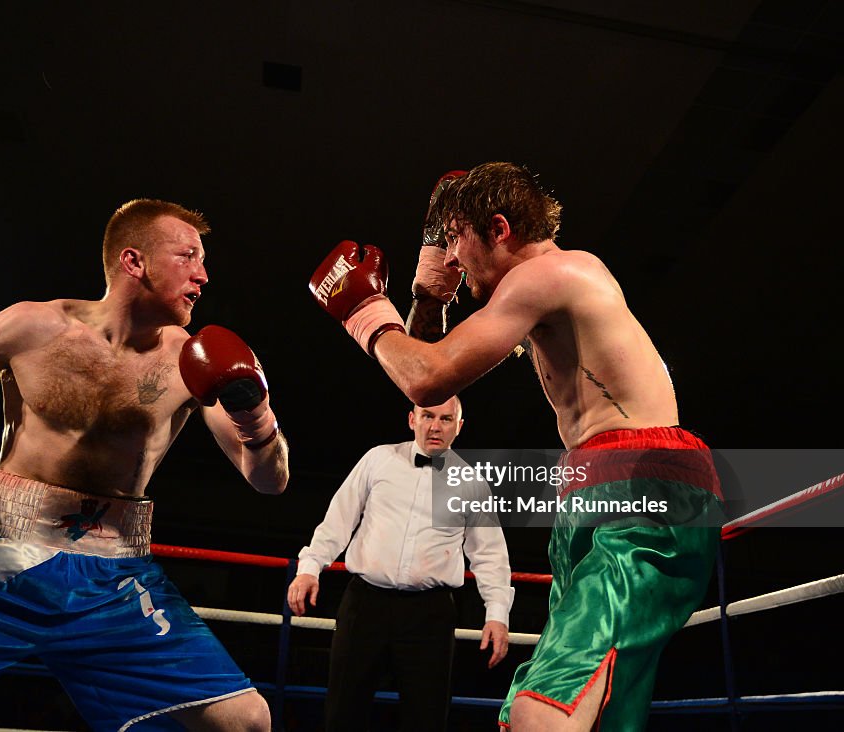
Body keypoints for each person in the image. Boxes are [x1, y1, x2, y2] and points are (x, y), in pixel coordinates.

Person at [0, 199, 289, 731]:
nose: (203, 275)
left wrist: (256, 418)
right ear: (134, 262)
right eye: (188, 256)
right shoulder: (32, 326)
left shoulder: (191, 360)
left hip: (113, 579)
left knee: (246, 721)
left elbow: (269, 479)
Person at [309, 163, 723, 731]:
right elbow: (433, 366)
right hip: (598, 484)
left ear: (499, 229)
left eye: (455, 240)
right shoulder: (539, 294)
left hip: (641, 481)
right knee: (594, 711)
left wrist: (364, 315)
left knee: (546, 709)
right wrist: (428, 296)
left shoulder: (550, 275)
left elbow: (426, 378)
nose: (452, 258)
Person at [287, 396, 513, 732]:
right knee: (342, 713)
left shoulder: (471, 483)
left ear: (459, 427)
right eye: (427, 416)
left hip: (429, 615)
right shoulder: (379, 459)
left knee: (426, 719)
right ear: (412, 419)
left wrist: (497, 614)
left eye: (446, 419)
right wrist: (309, 567)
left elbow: (490, 554)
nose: (435, 426)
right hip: (365, 605)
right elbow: (339, 519)